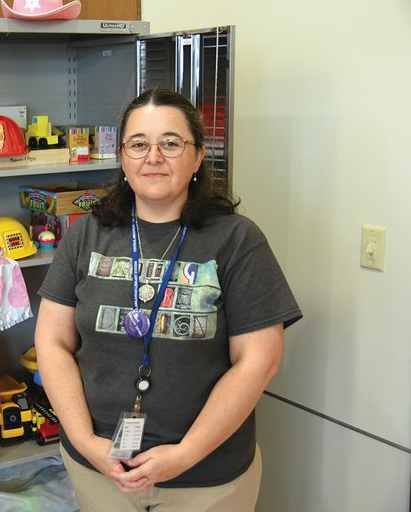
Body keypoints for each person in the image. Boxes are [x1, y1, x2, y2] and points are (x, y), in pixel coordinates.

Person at [35, 88, 302, 511]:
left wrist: (186, 454)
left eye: (171, 143)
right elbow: (52, 342)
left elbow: (259, 361)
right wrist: (87, 443)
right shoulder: (88, 234)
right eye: (138, 144)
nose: (153, 156)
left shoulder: (237, 240)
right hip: (99, 469)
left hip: (206, 479)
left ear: (197, 158)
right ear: (122, 158)